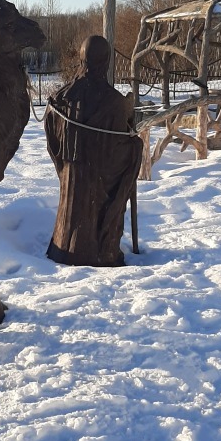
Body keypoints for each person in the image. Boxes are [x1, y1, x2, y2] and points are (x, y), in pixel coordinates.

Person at [45, 35, 143, 267]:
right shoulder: (115, 102)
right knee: (135, 147)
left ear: (82, 59)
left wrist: (66, 163)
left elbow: (52, 139)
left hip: (72, 179)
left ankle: (64, 248)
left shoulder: (61, 98)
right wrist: (135, 148)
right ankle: (99, 252)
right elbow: (119, 148)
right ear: (106, 62)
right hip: (98, 183)